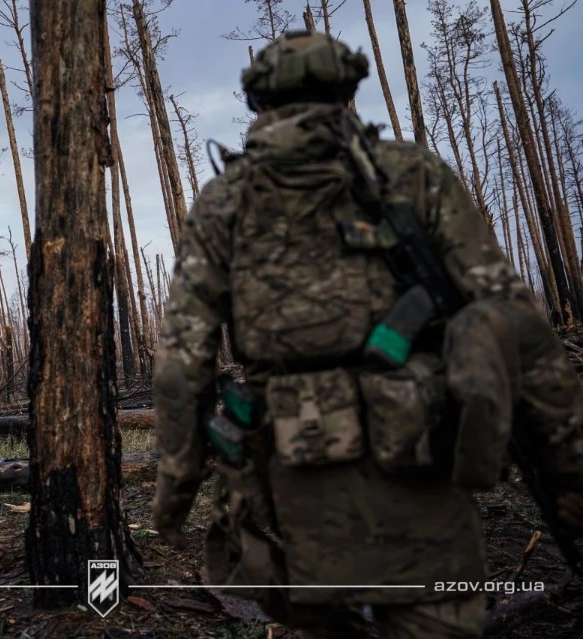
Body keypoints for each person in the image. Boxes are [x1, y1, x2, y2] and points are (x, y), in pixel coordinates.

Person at [151, 29, 583, 639]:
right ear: (347, 91)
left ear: (260, 103)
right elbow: (512, 322)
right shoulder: (414, 175)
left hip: (296, 485)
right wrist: (565, 475)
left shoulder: (224, 202)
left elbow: (179, 367)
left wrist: (174, 497)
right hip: (423, 472)